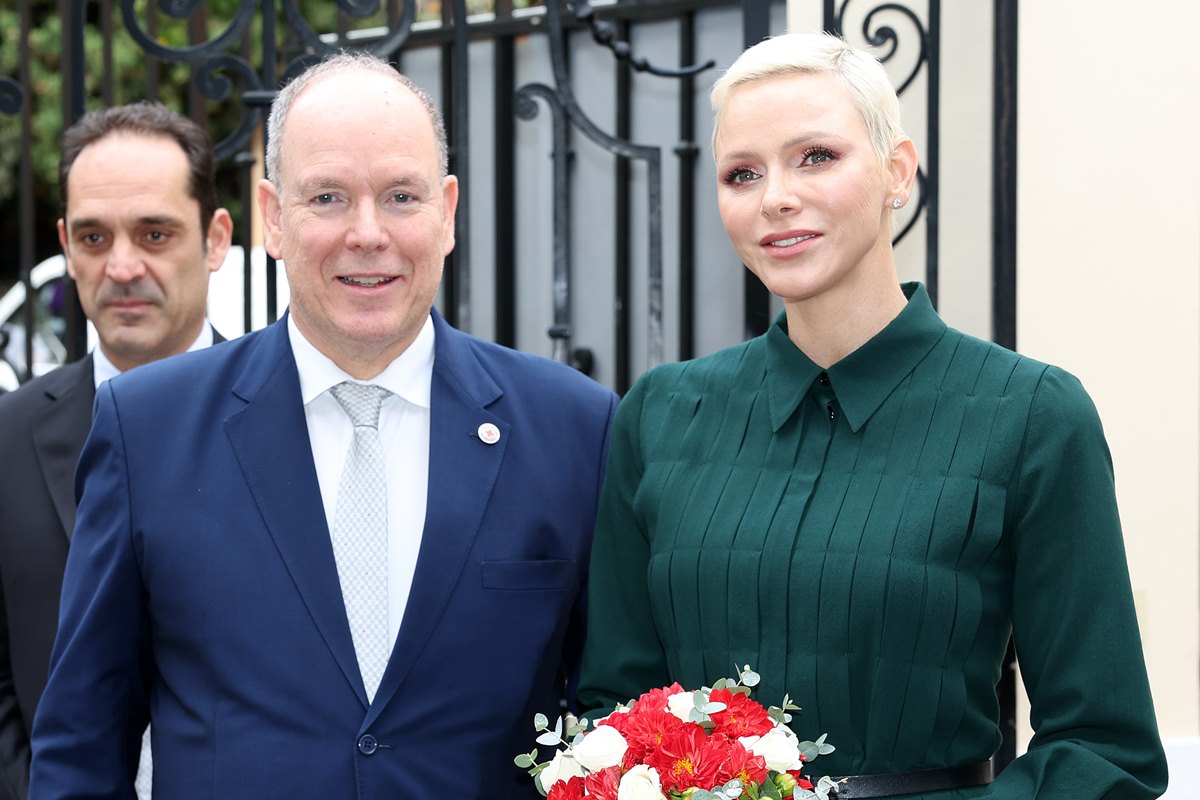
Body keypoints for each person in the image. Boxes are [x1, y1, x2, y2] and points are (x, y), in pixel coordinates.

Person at [576, 31, 1167, 799]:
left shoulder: (1032, 417)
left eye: (816, 156)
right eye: (742, 173)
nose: (776, 197)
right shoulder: (658, 414)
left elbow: (1103, 745)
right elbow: (615, 710)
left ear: (897, 171)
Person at [28, 51, 617, 800]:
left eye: (402, 196)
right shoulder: (146, 430)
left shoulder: (572, 428)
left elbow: (609, 722)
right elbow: (82, 739)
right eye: (329, 198)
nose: (367, 233)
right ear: (273, 217)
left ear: (449, 213)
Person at [0, 101, 234, 800]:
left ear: (215, 239)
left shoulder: (296, 425)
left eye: (154, 233)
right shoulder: (6, 440)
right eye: (95, 238)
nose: (122, 265)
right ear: (66, 245)